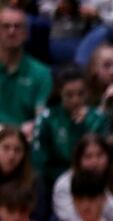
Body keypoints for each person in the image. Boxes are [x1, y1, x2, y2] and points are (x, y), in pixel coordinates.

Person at [31, 64, 110, 189]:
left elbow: (100, 156)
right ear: (59, 93)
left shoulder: (98, 118)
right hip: (54, 182)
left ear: (88, 92)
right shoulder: (47, 119)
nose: (75, 100)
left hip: (94, 181)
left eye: (80, 94)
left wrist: (81, 127)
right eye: (69, 95)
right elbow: (39, 162)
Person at [52, 133, 113, 221]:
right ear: (78, 160)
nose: (95, 162)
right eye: (88, 157)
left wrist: (104, 193)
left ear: (108, 157)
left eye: (100, 155)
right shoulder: (64, 184)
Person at [0, 4, 53, 139]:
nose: (11, 31)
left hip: (24, 141)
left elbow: (40, 118)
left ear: (26, 33)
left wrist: (30, 127)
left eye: (17, 26)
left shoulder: (41, 73)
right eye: (5, 26)